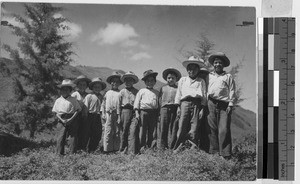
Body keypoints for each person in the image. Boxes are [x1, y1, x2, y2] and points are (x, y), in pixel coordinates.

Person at [173, 56, 207, 153]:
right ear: (187, 70)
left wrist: (202, 108)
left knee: (194, 126)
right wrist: (178, 107)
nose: (191, 70)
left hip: (196, 104)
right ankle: (178, 148)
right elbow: (178, 93)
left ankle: (192, 149)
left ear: (198, 70)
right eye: (189, 68)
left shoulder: (201, 81)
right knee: (182, 125)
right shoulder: (183, 80)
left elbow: (204, 95)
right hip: (184, 103)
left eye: (194, 68)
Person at [207, 52, 236, 159]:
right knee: (212, 128)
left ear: (223, 65)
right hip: (211, 103)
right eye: (215, 62)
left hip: (224, 104)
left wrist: (231, 104)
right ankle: (214, 152)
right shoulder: (209, 76)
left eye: (220, 63)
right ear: (213, 64)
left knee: (224, 128)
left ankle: (225, 153)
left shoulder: (228, 76)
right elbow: (206, 89)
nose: (217, 64)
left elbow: (232, 90)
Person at [52, 79, 81, 155]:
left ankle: (72, 153)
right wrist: (62, 119)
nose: (65, 91)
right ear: (60, 91)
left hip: (72, 118)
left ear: (70, 91)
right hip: (61, 119)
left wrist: (71, 119)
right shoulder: (58, 100)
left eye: (67, 89)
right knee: (60, 137)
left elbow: (78, 110)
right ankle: (59, 153)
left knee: (72, 137)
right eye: (63, 89)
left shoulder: (73, 100)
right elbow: (56, 112)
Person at [134, 70, 159, 152]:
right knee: (142, 130)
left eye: (152, 80)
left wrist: (158, 114)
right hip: (143, 112)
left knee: (152, 130)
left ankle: (151, 147)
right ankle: (141, 147)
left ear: (155, 81)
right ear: (145, 82)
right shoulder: (141, 91)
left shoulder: (157, 92)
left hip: (153, 112)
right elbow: (137, 102)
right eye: (148, 81)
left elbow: (158, 104)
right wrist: (137, 113)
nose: (150, 82)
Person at [158, 68, 181, 150]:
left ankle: (173, 146)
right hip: (164, 109)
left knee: (174, 127)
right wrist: (159, 111)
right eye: (169, 78)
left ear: (176, 79)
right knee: (163, 127)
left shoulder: (178, 88)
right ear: (166, 79)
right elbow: (159, 99)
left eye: (173, 78)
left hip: (174, 108)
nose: (170, 80)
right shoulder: (163, 88)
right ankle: (162, 146)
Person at [83, 77, 106, 152]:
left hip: (97, 116)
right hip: (89, 115)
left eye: (99, 87)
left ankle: (92, 149)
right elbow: (86, 107)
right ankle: (84, 148)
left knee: (97, 133)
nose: (97, 88)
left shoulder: (101, 97)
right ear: (92, 87)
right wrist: (85, 117)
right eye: (95, 87)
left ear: (101, 88)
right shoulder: (89, 96)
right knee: (86, 133)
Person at [118, 71, 139, 153]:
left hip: (133, 111)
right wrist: (119, 116)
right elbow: (119, 104)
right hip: (125, 111)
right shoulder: (122, 92)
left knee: (133, 130)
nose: (128, 82)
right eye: (126, 80)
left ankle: (132, 150)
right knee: (124, 130)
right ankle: (123, 148)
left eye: (130, 80)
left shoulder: (136, 92)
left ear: (133, 82)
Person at [101, 71, 122, 153]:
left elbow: (120, 105)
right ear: (111, 83)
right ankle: (106, 149)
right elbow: (103, 104)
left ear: (119, 83)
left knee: (116, 131)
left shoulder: (120, 93)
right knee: (108, 130)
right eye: (113, 81)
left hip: (116, 114)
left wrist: (119, 116)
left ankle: (115, 148)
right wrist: (103, 113)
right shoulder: (107, 93)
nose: (115, 83)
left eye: (117, 82)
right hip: (108, 113)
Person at [72, 75, 91, 150]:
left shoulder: (88, 95)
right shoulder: (75, 94)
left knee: (84, 132)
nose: (82, 86)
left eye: (84, 85)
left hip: (85, 115)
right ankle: (74, 148)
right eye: (80, 84)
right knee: (75, 132)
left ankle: (82, 148)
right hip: (76, 115)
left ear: (86, 86)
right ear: (77, 85)